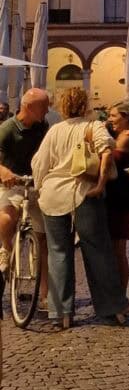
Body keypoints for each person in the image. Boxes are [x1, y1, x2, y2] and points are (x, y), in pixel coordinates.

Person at [31, 87, 129, 329]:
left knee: (58, 252)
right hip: (84, 192)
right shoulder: (94, 126)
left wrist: (41, 187)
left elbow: (39, 164)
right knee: (98, 251)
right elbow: (106, 153)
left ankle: (61, 313)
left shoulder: (54, 131)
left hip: (53, 194)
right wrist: (100, 184)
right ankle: (112, 308)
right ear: (85, 105)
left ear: (62, 107)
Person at [0, 88, 50, 306]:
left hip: (35, 184)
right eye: (43, 106)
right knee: (7, 218)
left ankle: (46, 295)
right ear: (28, 107)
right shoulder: (7, 129)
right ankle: (6, 247)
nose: (47, 110)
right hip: (11, 183)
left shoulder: (42, 126)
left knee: (43, 240)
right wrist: (4, 173)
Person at [106, 100, 129, 292]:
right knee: (114, 247)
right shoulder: (121, 135)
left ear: (125, 117)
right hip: (116, 194)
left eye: (113, 115)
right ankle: (116, 292)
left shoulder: (127, 137)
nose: (110, 119)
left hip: (121, 196)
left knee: (118, 248)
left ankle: (120, 293)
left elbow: (109, 160)